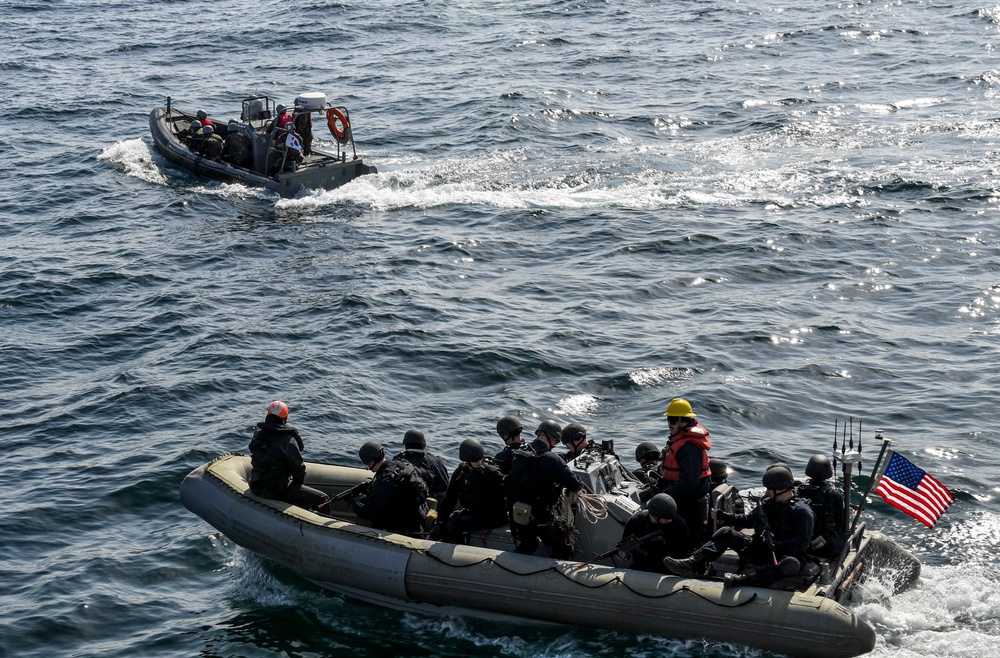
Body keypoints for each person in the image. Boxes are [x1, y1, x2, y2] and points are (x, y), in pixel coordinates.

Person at [663, 465, 815, 589]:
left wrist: (775, 545)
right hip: (761, 548)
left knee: (791, 564)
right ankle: (693, 562)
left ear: (781, 488)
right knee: (726, 533)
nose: (767, 492)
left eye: (770, 489)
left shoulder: (801, 512)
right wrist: (724, 516)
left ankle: (746, 580)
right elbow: (748, 520)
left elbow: (801, 543)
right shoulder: (768, 504)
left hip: (782, 554)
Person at [506, 419, 584, 558]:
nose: (554, 445)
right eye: (555, 442)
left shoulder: (520, 453)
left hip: (519, 515)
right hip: (540, 518)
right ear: (552, 438)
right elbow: (575, 484)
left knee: (529, 544)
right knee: (563, 549)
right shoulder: (552, 459)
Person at [247, 400, 330, 513]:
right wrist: (297, 483)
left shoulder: (258, 435)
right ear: (285, 418)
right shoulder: (288, 440)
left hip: (256, 485)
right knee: (323, 498)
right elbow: (299, 468)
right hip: (277, 491)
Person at [653, 398, 712, 542]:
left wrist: (664, 495)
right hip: (683, 495)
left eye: (672, 420)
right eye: (668, 420)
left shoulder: (689, 448)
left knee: (691, 539)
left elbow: (689, 482)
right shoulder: (680, 441)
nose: (669, 425)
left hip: (691, 501)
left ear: (683, 422)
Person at [431, 438, 508, 544]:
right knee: (445, 524)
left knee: (455, 524)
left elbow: (507, 496)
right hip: (473, 512)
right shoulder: (461, 472)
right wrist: (440, 521)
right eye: (474, 460)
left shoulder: (492, 474)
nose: (477, 463)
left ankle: (461, 550)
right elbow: (450, 498)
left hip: (492, 515)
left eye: (478, 459)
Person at [351, 440, 430, 535]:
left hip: (401, 531)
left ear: (371, 463)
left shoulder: (385, 480)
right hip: (416, 520)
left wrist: (353, 502)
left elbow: (369, 512)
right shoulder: (401, 464)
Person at [618, 493, 693, 574]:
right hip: (645, 565)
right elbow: (626, 545)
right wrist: (624, 554)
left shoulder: (678, 523)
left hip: (671, 566)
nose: (670, 520)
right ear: (656, 516)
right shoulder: (636, 521)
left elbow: (687, 548)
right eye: (666, 518)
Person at [796, 454, 846, 560]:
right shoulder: (834, 495)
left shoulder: (799, 490)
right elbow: (841, 525)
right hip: (824, 547)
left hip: (801, 542)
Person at [393, 429, 450, 498]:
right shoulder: (434, 460)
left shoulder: (397, 461)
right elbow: (445, 485)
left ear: (406, 445)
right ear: (424, 445)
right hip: (428, 501)